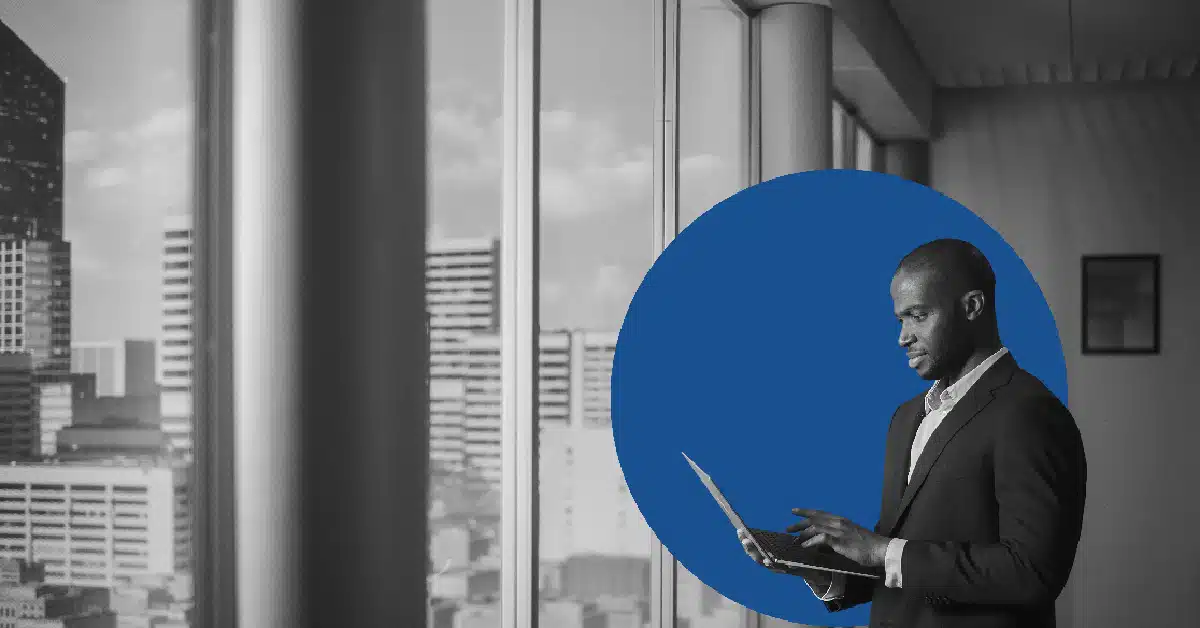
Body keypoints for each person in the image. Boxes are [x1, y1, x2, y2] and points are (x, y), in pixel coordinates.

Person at [739, 238, 1086, 628]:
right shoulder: (906, 418)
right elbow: (900, 564)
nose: (903, 337)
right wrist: (818, 571)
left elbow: (1032, 573)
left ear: (972, 306)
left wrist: (882, 550)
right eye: (900, 319)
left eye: (918, 316)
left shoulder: (1029, 413)